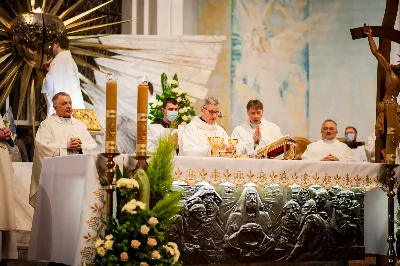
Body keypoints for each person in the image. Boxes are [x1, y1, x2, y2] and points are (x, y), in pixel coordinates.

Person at [29, 92, 97, 207]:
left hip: (77, 176)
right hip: (56, 178)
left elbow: (93, 146)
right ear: (55, 107)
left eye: (70, 103)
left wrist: (81, 146)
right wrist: (66, 146)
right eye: (64, 103)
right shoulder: (47, 124)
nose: (69, 106)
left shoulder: (79, 125)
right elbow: (42, 147)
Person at [42, 35, 85, 117]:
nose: (52, 48)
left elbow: (50, 82)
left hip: (62, 105)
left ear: (57, 44)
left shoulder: (58, 60)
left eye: (53, 45)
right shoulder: (71, 60)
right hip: (74, 104)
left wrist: (45, 80)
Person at [0, 115, 18, 260]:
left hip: (3, 162)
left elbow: (12, 146)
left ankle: (4, 253)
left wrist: (7, 136)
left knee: (3, 206)